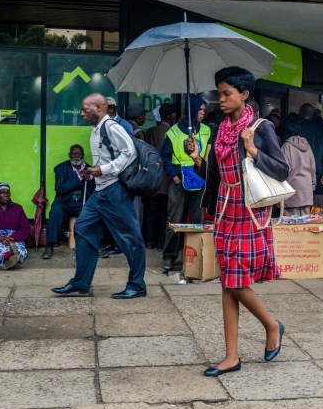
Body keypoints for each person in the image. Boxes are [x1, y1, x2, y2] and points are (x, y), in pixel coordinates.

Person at [187, 66, 288, 377]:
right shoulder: (220, 129)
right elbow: (218, 172)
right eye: (219, 93)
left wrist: (253, 150)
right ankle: (231, 356)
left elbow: (282, 170)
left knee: (236, 281)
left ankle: (272, 325)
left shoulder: (260, 128)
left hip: (250, 211)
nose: (221, 99)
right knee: (228, 284)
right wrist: (196, 158)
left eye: (227, 93)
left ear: (244, 95)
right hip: (224, 208)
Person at [52, 93, 146, 299]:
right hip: (100, 191)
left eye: (85, 109)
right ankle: (80, 283)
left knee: (130, 238)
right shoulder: (95, 131)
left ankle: (137, 285)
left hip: (115, 191)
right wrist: (93, 169)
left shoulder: (111, 127)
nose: (82, 113)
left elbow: (130, 153)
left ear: (99, 108)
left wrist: (104, 169)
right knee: (82, 228)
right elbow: (105, 157)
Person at [160, 95, 209, 271]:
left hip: (199, 180)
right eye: (200, 110)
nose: (203, 113)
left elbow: (209, 155)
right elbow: (165, 157)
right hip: (179, 181)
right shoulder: (173, 132)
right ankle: (169, 257)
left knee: (197, 221)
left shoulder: (206, 130)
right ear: (192, 111)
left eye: (204, 110)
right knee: (175, 220)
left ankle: (196, 256)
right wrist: (174, 177)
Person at [42, 144, 95, 259]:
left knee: (95, 212)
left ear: (82, 156)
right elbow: (61, 188)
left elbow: (93, 190)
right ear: (69, 155)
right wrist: (79, 177)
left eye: (79, 154)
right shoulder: (61, 168)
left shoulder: (89, 169)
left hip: (81, 203)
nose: (76, 156)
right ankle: (49, 246)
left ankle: (95, 245)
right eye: (74, 153)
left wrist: (90, 179)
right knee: (56, 211)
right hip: (64, 203)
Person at [143, 103, 176, 250]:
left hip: (150, 178)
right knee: (164, 212)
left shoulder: (150, 131)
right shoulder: (171, 133)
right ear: (171, 116)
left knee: (151, 211)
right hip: (165, 179)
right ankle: (162, 243)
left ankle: (149, 241)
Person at [294, 103, 323, 210]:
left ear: (300, 113)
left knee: (299, 204)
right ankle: (318, 225)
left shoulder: (295, 129)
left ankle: (301, 225)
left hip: (297, 171)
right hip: (317, 171)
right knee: (318, 204)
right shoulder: (321, 130)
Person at [280, 126, 316, 216]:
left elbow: (284, 169)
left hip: (292, 187)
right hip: (306, 188)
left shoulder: (286, 146)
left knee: (292, 223)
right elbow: (313, 168)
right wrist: (313, 184)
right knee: (305, 222)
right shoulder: (307, 146)